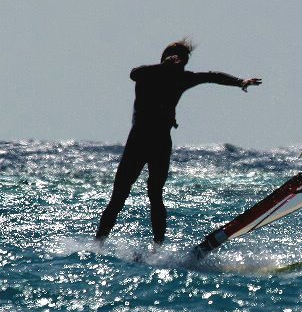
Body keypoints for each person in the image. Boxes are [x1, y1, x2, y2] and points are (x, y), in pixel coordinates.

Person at [95, 39, 261, 245]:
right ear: (165, 59)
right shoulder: (148, 75)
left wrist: (239, 81)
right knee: (119, 196)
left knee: (155, 194)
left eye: (182, 61)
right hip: (137, 142)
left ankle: (158, 249)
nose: (178, 65)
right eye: (174, 60)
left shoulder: (182, 79)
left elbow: (212, 76)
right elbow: (133, 73)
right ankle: (98, 244)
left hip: (160, 143)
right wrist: (163, 66)